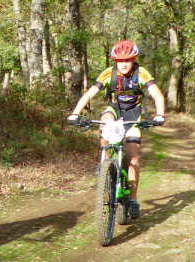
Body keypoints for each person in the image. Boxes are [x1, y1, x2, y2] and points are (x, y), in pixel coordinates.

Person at [67, 39, 166, 220]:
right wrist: (75, 113)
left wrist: (160, 114)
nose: (124, 64)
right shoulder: (109, 73)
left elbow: (156, 94)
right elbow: (89, 94)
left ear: (134, 60)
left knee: (133, 155)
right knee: (104, 122)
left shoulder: (141, 73)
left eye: (127, 60)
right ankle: (105, 161)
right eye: (120, 61)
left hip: (134, 113)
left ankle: (133, 199)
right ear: (115, 61)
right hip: (115, 109)